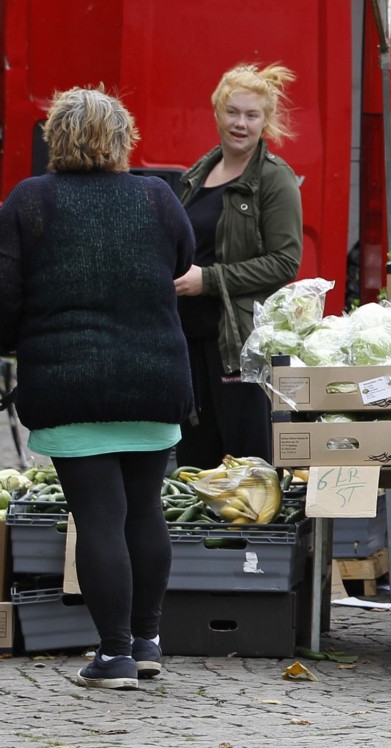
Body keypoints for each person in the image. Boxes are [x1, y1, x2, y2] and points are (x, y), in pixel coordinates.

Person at [0, 87, 195, 689]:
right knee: (146, 512)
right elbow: (183, 259)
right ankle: (148, 639)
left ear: (55, 138)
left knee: (99, 520)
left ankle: (114, 656)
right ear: (122, 138)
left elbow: (5, 297)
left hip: (68, 383)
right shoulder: (156, 196)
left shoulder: (30, 201)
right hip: (153, 378)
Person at [175, 62, 303, 468]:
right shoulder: (199, 173)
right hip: (188, 337)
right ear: (217, 112)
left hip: (238, 343)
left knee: (247, 462)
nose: (240, 123)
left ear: (266, 121)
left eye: (252, 115)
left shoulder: (273, 178)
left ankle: (254, 535)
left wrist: (208, 280)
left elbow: (286, 262)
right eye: (233, 112)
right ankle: (199, 535)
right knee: (195, 461)